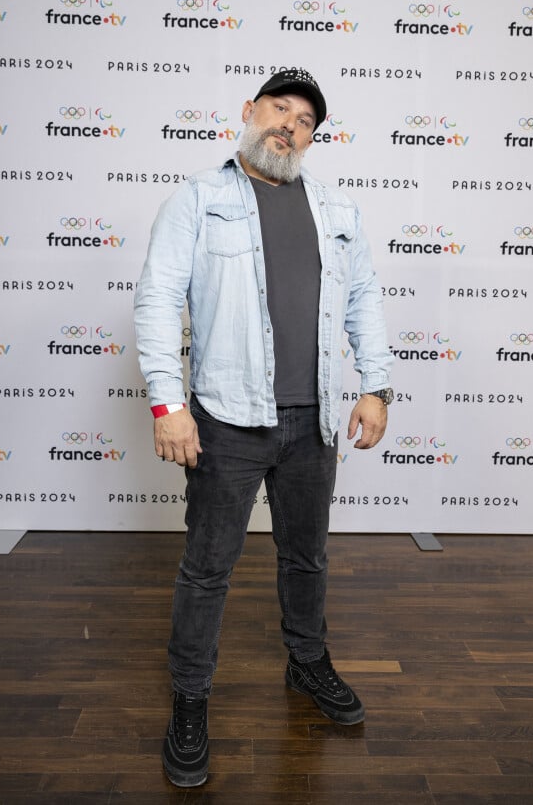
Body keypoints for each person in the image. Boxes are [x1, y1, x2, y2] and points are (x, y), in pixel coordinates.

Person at [134, 68, 394, 788]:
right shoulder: (200, 197)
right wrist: (167, 403)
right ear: (249, 112)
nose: (290, 124)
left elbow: (364, 299)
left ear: (313, 137)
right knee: (208, 567)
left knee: (306, 558)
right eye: (279, 108)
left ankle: (307, 662)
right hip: (227, 418)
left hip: (313, 421)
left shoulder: (337, 207)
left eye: (305, 119)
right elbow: (158, 300)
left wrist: (376, 386)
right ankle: (190, 698)